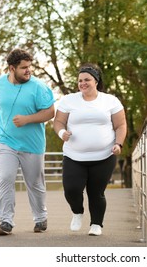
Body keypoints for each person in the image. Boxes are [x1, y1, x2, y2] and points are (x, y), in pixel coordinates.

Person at [0, 48, 55, 236]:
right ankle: (6, 221)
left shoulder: (39, 87)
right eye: (24, 68)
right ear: (11, 68)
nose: (28, 71)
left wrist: (27, 119)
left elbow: (50, 112)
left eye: (29, 67)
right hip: (4, 140)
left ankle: (40, 218)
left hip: (32, 144)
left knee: (34, 183)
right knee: (6, 177)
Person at [53, 63, 127, 236]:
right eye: (80, 80)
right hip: (74, 155)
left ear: (96, 81)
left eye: (87, 79)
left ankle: (96, 224)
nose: (82, 83)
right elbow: (58, 122)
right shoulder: (68, 100)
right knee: (71, 189)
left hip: (104, 156)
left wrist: (119, 143)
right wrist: (62, 133)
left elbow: (121, 124)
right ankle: (77, 212)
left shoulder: (110, 101)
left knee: (96, 192)